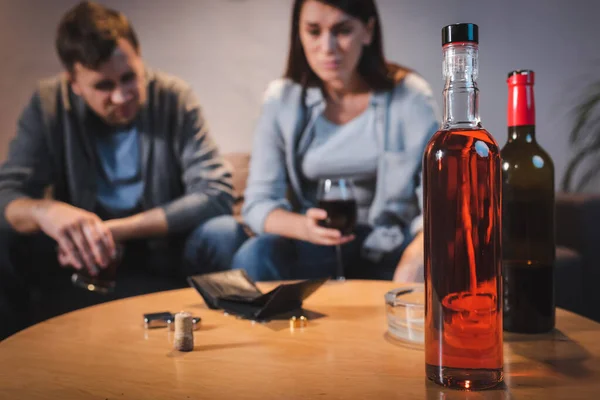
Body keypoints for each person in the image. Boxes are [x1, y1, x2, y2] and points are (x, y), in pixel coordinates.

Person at [0, 1, 234, 340]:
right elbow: (7, 192)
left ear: (140, 57)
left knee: (224, 232)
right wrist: (46, 212)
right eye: (103, 86)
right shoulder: (49, 103)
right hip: (80, 264)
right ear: (74, 82)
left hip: (164, 254)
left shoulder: (173, 97)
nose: (122, 96)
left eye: (129, 78)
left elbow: (216, 193)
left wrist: (111, 231)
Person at [202, 0, 440, 282]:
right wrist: (304, 227)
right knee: (254, 255)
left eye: (342, 31)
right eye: (313, 31)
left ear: (368, 31)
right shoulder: (282, 100)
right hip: (314, 245)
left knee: (439, 256)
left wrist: (416, 257)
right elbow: (258, 204)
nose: (327, 47)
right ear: (299, 34)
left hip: (390, 245)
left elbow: (441, 205)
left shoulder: (410, 97)